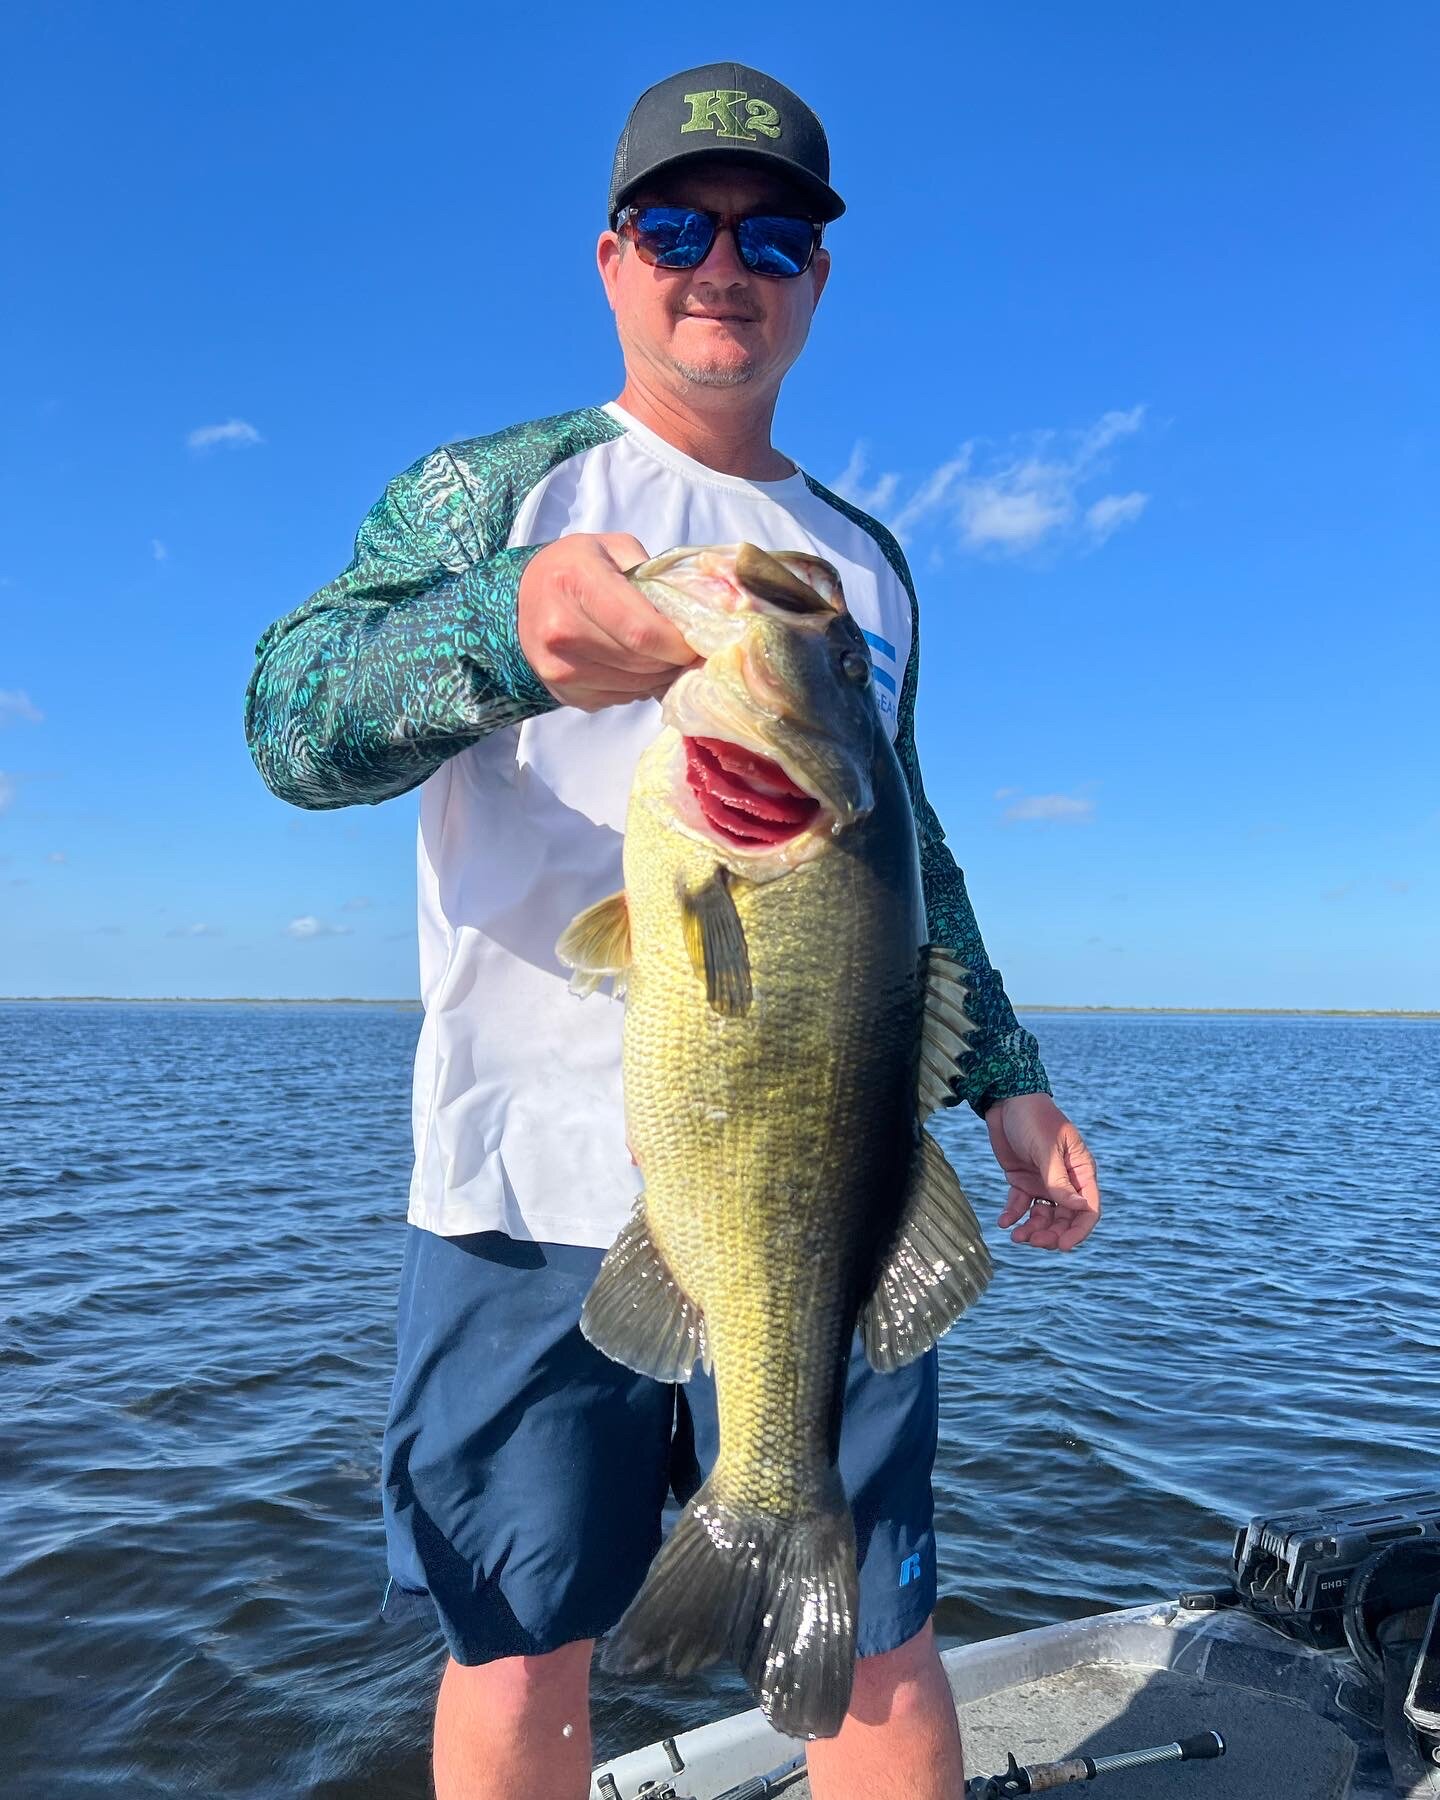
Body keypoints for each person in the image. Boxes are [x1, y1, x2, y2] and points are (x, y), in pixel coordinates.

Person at [244, 59, 1102, 1800]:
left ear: (819, 280)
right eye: (679, 224)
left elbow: (907, 833)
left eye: (776, 234)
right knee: (517, 1644)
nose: (729, 262)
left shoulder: (864, 559)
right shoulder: (497, 492)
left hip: (831, 1179)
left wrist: (1005, 1072)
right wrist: (501, 633)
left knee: (876, 1639)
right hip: (521, 1186)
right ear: (613, 258)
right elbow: (288, 716)